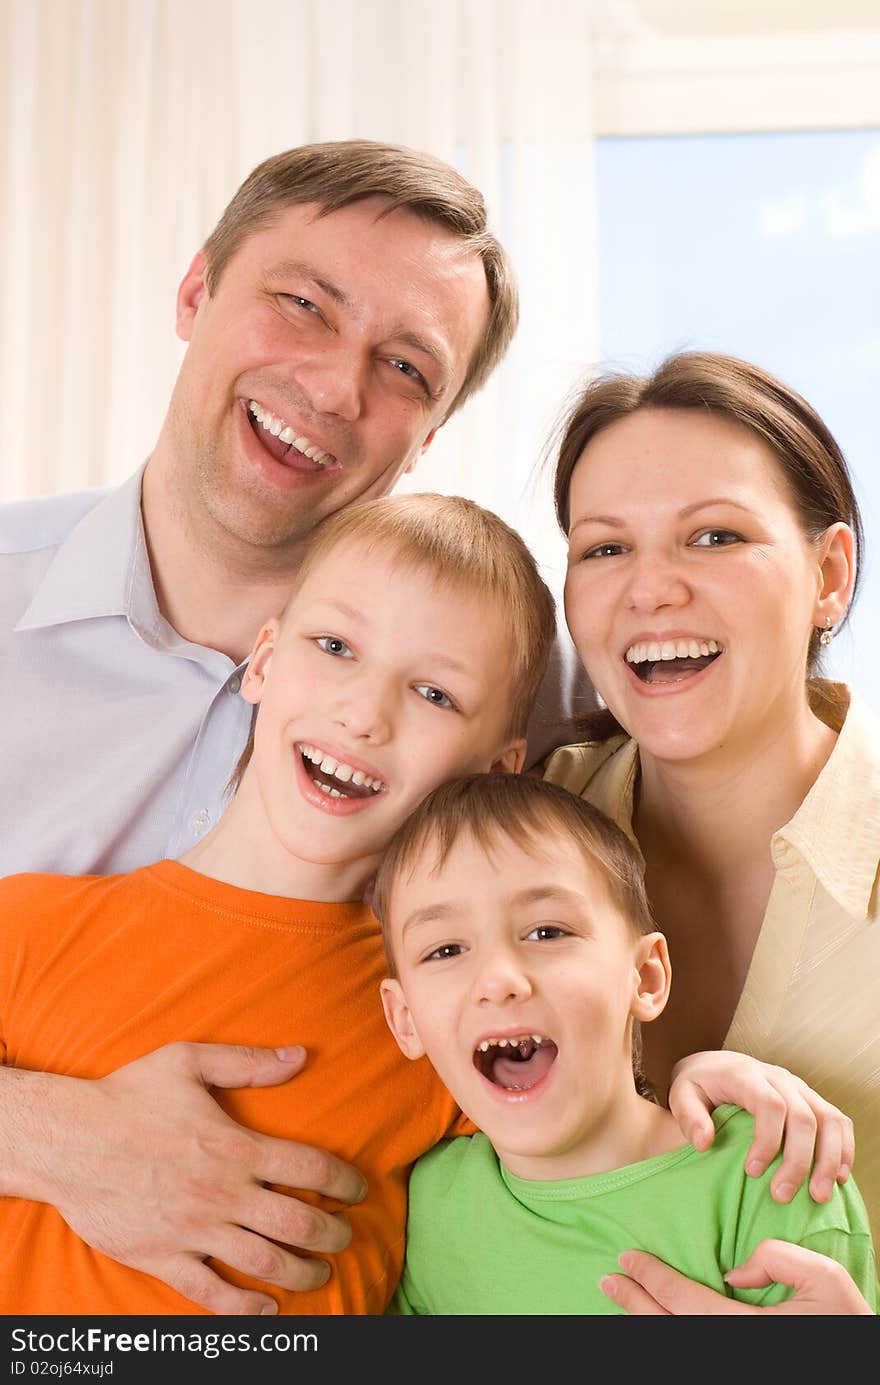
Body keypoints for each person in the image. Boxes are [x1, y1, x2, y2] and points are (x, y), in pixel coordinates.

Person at [0, 140, 591, 1312]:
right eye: (299, 304)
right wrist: (50, 1133)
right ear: (194, 289)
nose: (333, 386)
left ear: (426, 437)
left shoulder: (543, 685)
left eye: (406, 367)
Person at [0, 490, 557, 1314]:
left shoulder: (454, 1011)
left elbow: (603, 1169)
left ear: (496, 774)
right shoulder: (29, 925)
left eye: (433, 694)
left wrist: (720, 1086)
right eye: (335, 645)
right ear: (263, 660)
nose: (363, 714)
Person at [541, 348, 879, 1313]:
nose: (651, 589)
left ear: (830, 574)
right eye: (604, 548)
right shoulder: (505, 836)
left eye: (715, 536)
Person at [373, 773, 878, 1314]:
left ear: (646, 978)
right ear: (405, 1020)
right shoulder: (429, 1203)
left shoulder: (771, 1172)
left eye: (547, 932)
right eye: (446, 949)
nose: (499, 979)